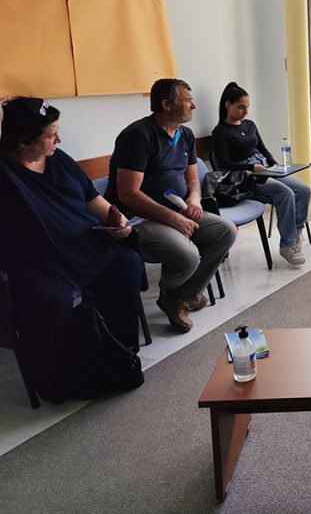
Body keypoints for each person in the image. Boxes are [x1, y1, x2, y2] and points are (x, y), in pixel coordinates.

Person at [0, 97, 143, 402]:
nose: (59, 140)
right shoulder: (5, 173)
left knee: (127, 263)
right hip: (40, 264)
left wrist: (118, 221)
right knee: (51, 300)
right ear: (23, 141)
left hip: (87, 247)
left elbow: (94, 200)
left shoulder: (60, 160)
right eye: (51, 135)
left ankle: (120, 347)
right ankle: (65, 376)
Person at [106, 79, 237, 333]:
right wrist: (174, 219)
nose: (193, 106)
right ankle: (179, 296)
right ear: (166, 105)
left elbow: (192, 179)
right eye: (187, 101)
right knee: (187, 254)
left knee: (226, 231)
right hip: (136, 218)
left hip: (178, 209)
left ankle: (178, 296)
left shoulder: (185, 134)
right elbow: (128, 194)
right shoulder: (138, 136)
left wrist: (194, 199)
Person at [212, 82, 311, 265]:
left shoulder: (249, 125)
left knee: (303, 190)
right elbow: (224, 164)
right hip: (247, 176)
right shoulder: (220, 132)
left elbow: (262, 148)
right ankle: (287, 245)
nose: (245, 112)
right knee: (285, 193)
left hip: (265, 168)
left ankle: (296, 232)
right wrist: (251, 168)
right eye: (241, 107)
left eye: (247, 107)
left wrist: (275, 164)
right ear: (228, 105)